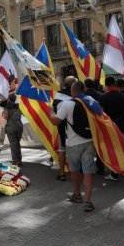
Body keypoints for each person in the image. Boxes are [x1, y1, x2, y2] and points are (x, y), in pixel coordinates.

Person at [50, 80, 96, 212]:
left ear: (73, 91)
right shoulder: (91, 102)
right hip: (89, 141)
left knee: (75, 171)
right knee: (88, 172)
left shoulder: (67, 104)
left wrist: (50, 112)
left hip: (73, 143)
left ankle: (77, 194)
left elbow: (56, 121)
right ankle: (88, 201)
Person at [53, 76, 77, 181]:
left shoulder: (57, 96)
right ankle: (75, 174)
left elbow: (55, 112)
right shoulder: (75, 97)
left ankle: (62, 172)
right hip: (74, 130)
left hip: (62, 128)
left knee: (62, 150)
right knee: (74, 152)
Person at [3, 94, 24, 167]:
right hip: (19, 126)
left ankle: (15, 160)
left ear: (9, 99)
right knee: (17, 143)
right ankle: (19, 159)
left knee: (13, 144)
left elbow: (5, 116)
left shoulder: (7, 107)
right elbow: (24, 114)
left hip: (11, 126)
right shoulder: (19, 106)